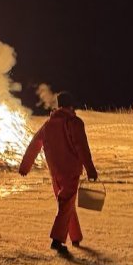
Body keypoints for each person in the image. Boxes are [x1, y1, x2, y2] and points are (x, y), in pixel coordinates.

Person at [18, 91, 98, 255]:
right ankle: (57, 240)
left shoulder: (48, 124)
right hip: (70, 171)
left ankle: (75, 237)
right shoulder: (74, 123)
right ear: (71, 105)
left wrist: (25, 166)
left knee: (66, 204)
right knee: (66, 204)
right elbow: (82, 148)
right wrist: (90, 170)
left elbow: (35, 144)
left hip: (55, 172)